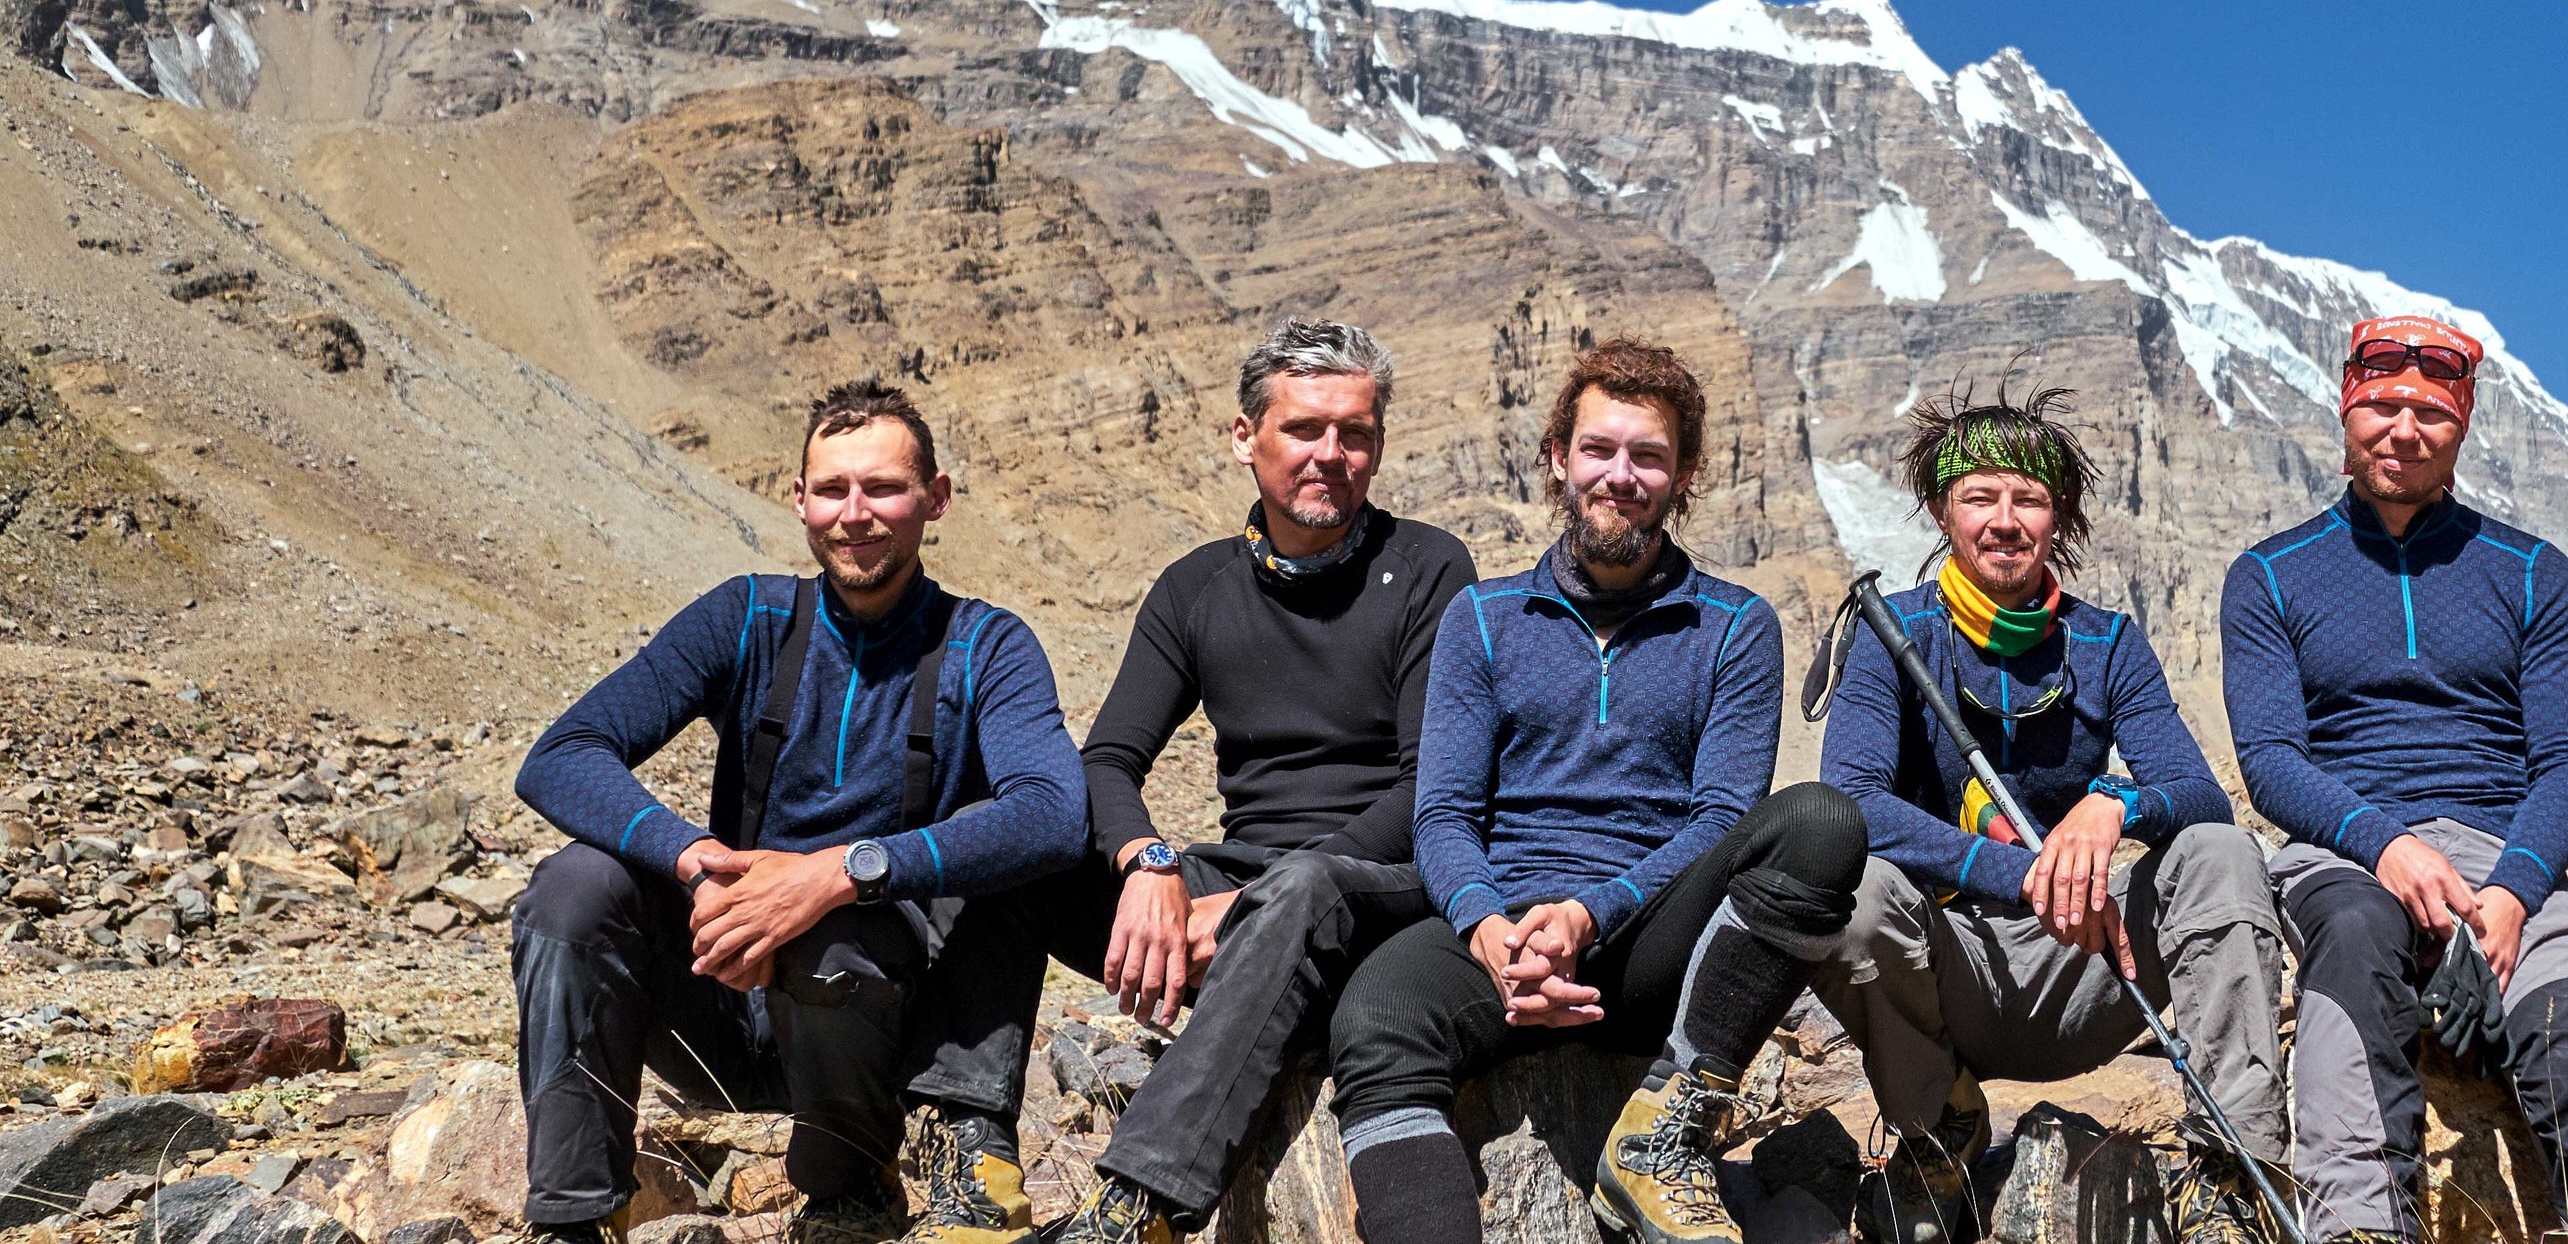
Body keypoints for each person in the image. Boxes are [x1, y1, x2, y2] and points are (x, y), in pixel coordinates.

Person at [887, 320, 1478, 1244]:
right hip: (1241, 897)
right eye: (1304, 429)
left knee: (1305, 886)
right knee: (1008, 841)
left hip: (1379, 896)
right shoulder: (1195, 588)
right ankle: (979, 1163)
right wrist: (1149, 862)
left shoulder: (1432, 569)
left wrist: (1251, 903)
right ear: (1246, 437)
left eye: (1355, 433)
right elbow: (1106, 761)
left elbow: (1425, 789)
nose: (1331, 454)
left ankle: (1137, 1209)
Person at [510, 382, 1087, 1244]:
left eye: (885, 488)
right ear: (800, 501)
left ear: (936, 498)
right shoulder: (747, 618)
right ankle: (573, 1221)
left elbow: (1052, 813)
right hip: (721, 989)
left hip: (880, 1026)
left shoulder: (985, 646)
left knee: (832, 933)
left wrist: (835, 875)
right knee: (572, 888)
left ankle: (851, 1187)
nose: (856, 515)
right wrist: (699, 865)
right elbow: (561, 755)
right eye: (832, 490)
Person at [1323, 337, 1866, 1244]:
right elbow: (1445, 811)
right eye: (1599, 450)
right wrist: (1490, 927)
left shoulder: (1734, 625)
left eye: (1648, 455)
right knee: (1376, 1015)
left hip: (1650, 946)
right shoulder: (1483, 619)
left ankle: (1659, 1143)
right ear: (1558, 459)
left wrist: (1592, 911)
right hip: (1503, 935)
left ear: (1684, 471)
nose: (1621, 475)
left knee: (1818, 821)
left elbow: (1723, 817)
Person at [2224, 315, 2568, 1244]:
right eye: (2383, 407)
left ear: (2464, 424)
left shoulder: (2532, 573)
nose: (2404, 429)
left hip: (2506, 856)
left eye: (2430, 412)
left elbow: (2565, 763)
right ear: (2345, 410)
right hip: (2343, 851)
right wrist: (2388, 846)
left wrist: (2517, 893)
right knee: (2356, 936)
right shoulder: (2268, 575)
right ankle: (2358, 1229)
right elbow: (2272, 762)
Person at [1815, 391, 2288, 1244]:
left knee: (2220, 851)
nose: (2005, 521)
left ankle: (2230, 1175)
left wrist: (2115, 802)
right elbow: (1849, 802)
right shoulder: (1896, 637)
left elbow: (2199, 793)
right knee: (1847, 886)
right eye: (1980, 497)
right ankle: (1937, 1128)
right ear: (1940, 509)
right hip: (1946, 966)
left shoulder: (2107, 644)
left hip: (2093, 960)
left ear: (2058, 512)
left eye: (2028, 497)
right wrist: (2024, 871)